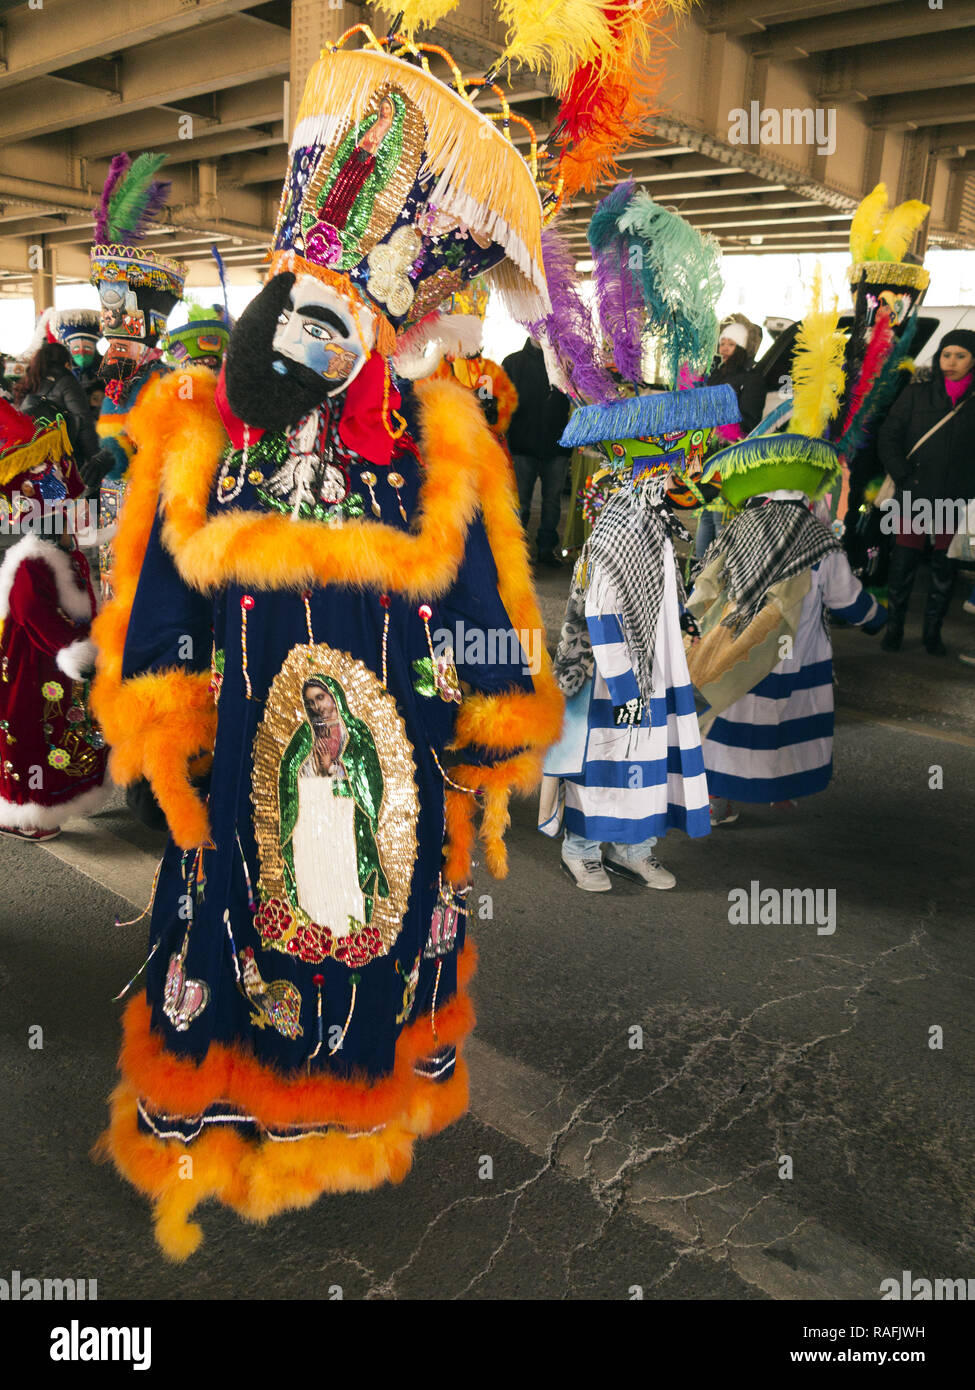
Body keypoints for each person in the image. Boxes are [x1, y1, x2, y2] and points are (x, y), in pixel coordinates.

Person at [90, 36, 562, 1259]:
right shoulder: (207, 436)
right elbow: (164, 584)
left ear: (372, 321)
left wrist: (487, 717)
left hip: (391, 740)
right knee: (243, 905)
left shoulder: (436, 439)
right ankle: (246, 1104)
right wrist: (169, 713)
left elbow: (477, 593)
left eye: (327, 316)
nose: (301, 334)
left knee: (380, 908)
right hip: (249, 723)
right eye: (292, 305)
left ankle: (362, 1098)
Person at [539, 387, 740, 889]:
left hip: (655, 672)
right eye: (677, 470)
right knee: (605, 759)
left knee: (648, 760)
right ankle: (581, 848)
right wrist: (627, 690)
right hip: (613, 678)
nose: (688, 479)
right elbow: (602, 615)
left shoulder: (652, 522)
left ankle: (634, 848)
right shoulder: (619, 527)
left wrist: (680, 625)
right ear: (653, 476)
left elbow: (658, 592)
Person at [687, 435, 887, 824]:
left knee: (727, 722)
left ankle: (712, 800)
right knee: (785, 723)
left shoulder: (740, 526)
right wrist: (876, 616)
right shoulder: (818, 538)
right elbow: (847, 600)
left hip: (735, 652)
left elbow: (704, 586)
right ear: (809, 497)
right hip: (792, 658)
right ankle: (776, 788)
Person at [0, 401, 108, 840]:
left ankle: (51, 804)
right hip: (37, 663)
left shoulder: (63, 554)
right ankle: (34, 809)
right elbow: (32, 610)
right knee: (38, 732)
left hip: (54, 668)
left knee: (57, 732)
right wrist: (72, 648)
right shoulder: (35, 561)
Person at [877, 329, 975, 654]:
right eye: (946, 354)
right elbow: (888, 436)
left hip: (955, 497)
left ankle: (933, 633)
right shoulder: (917, 394)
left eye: (960, 356)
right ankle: (894, 629)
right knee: (903, 563)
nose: (951, 362)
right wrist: (903, 476)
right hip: (914, 494)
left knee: (944, 570)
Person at [694, 321, 765, 558]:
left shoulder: (752, 377)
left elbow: (750, 419)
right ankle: (699, 573)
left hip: (731, 455)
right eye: (722, 343)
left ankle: (717, 575)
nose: (724, 348)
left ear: (742, 347)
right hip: (709, 452)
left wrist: (726, 425)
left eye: (731, 344)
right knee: (705, 516)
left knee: (720, 519)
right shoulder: (716, 373)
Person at [502, 336, 572, 566]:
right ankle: (515, 553)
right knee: (520, 503)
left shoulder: (565, 365)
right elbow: (491, 392)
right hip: (522, 446)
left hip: (557, 447)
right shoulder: (512, 363)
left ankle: (546, 550)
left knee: (552, 503)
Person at [14, 341, 100, 468]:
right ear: (65, 361)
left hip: (31, 455)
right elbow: (82, 419)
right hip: (63, 457)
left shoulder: (29, 380)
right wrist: (94, 458)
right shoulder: (67, 381)